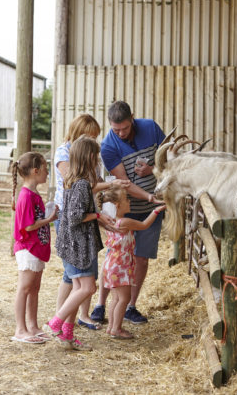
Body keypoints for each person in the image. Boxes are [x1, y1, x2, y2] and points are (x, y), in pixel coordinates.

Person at [91, 101, 165, 325]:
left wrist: (152, 169)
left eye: (124, 128)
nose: (121, 133)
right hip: (125, 207)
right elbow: (124, 183)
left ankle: (130, 306)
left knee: (141, 258)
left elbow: (168, 159)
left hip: (153, 207)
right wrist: (149, 196)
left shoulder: (151, 128)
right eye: (116, 129)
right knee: (114, 256)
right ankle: (101, 304)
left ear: (132, 117)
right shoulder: (108, 146)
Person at [53, 114, 129, 330]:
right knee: (80, 280)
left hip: (84, 222)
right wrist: (98, 213)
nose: (95, 142)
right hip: (75, 225)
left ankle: (69, 324)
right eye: (91, 136)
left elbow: (92, 184)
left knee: (81, 278)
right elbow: (81, 189)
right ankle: (59, 320)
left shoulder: (84, 161)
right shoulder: (67, 157)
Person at [44, 135, 115, 350]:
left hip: (73, 242)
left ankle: (67, 335)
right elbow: (75, 216)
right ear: (90, 157)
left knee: (78, 288)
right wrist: (97, 216)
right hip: (79, 244)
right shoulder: (83, 184)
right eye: (97, 157)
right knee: (88, 288)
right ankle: (55, 323)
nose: (99, 160)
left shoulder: (73, 180)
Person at [97, 186, 165, 339]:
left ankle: (111, 327)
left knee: (116, 298)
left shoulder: (110, 221)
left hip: (111, 263)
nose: (130, 201)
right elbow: (144, 225)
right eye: (127, 199)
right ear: (118, 205)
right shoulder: (124, 222)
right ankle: (117, 329)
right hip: (121, 265)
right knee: (124, 298)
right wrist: (156, 211)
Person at [11, 152, 58, 344]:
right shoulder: (25, 196)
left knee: (34, 288)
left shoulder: (34, 194)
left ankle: (32, 326)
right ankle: (20, 329)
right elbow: (28, 226)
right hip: (28, 248)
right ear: (36, 171)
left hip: (37, 247)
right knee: (25, 287)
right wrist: (49, 219)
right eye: (46, 170)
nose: (48, 173)